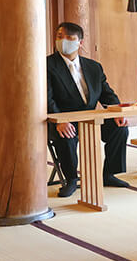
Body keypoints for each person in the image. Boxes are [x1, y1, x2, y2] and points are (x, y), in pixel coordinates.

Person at [46, 22, 131, 197]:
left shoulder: (93, 66)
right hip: (62, 119)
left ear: (80, 43)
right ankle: (70, 179)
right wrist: (61, 121)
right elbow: (47, 98)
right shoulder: (47, 65)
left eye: (70, 38)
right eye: (60, 37)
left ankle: (109, 174)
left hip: (90, 118)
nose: (64, 41)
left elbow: (107, 94)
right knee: (66, 135)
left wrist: (117, 112)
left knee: (119, 128)